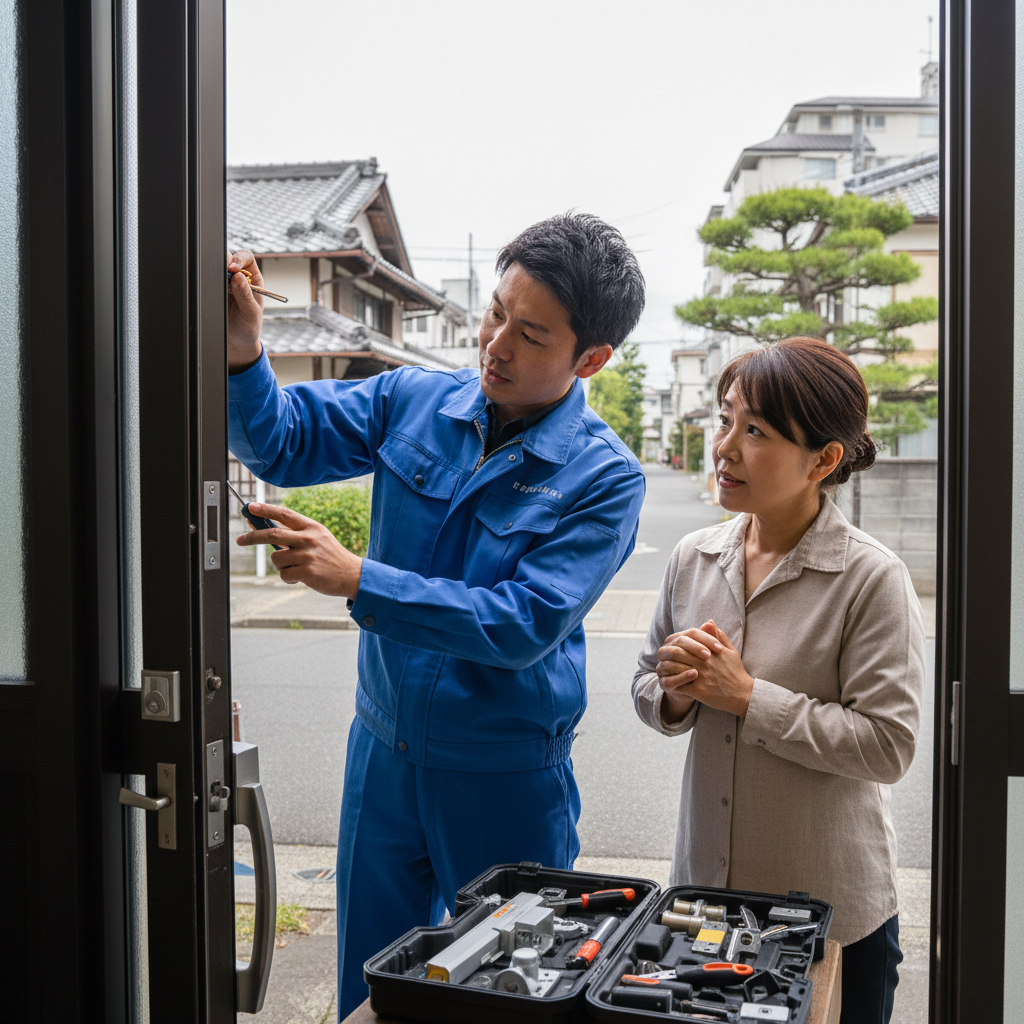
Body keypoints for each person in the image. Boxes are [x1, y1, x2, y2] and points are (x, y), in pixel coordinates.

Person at [226, 213, 646, 1016]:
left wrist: (360, 579)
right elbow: (280, 443)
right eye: (495, 312)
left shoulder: (605, 478)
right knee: (369, 983)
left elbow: (523, 622)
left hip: (504, 775)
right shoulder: (412, 399)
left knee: (508, 988)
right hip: (382, 753)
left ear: (591, 358)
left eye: (530, 333)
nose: (496, 344)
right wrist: (246, 349)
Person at [632, 337, 925, 1024]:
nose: (725, 447)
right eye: (727, 418)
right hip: (705, 907)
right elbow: (648, 686)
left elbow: (889, 745)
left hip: (833, 917)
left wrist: (746, 697)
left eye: (756, 430)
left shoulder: (870, 577)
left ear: (823, 460)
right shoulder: (694, 556)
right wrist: (675, 690)